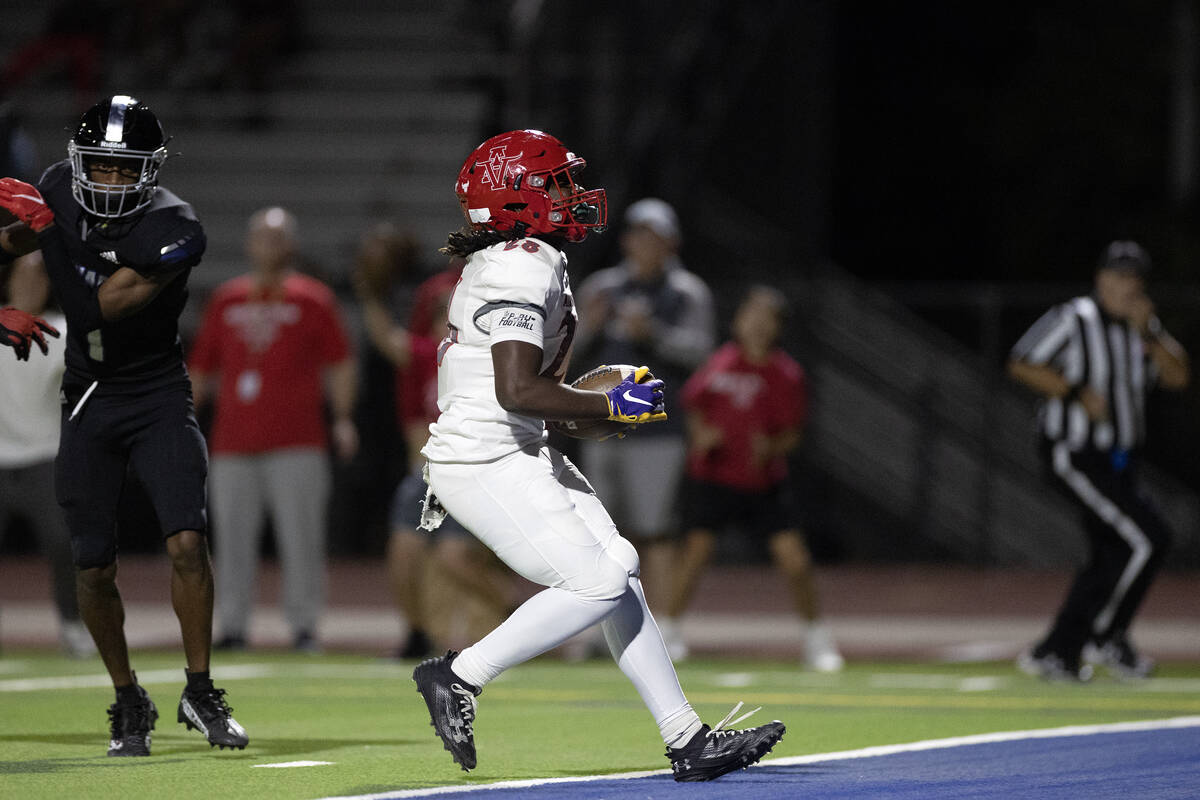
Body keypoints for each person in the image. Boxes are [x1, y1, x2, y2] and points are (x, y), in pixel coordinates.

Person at [410, 129, 784, 781]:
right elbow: (517, 388)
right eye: (556, 183)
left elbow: (523, 397)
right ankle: (459, 674)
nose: (573, 194)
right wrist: (606, 406)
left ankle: (686, 739)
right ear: (516, 198)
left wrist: (582, 407)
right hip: (483, 458)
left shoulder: (526, 255)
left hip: (516, 445)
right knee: (595, 581)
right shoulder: (521, 260)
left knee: (620, 567)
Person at [0, 94, 247, 755]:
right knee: (91, 563)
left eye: (125, 169)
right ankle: (127, 696)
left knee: (188, 543)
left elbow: (91, 309)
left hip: (155, 392)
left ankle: (199, 689)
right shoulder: (57, 187)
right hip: (89, 396)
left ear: (152, 171)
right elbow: (17, 239)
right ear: (80, 164)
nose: (110, 182)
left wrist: (49, 231)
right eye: (101, 168)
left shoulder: (176, 228)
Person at [1008, 240, 1189, 681]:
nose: (1125, 286)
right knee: (1147, 538)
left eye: (1133, 279)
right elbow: (1022, 362)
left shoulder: (1141, 328)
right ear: (1100, 279)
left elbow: (1178, 376)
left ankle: (1056, 652)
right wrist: (1073, 392)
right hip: (1074, 451)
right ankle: (1106, 636)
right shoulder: (1074, 318)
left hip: (1118, 459)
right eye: (1118, 277)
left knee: (1111, 555)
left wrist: (1150, 333)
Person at [189, 206, 357, 653]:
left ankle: (303, 626)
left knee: (301, 537)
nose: (270, 246)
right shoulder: (227, 298)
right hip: (233, 440)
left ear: (292, 246)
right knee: (231, 540)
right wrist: (183, 424)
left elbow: (340, 363)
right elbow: (201, 367)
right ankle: (233, 626)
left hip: (298, 439)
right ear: (249, 244)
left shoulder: (312, 298)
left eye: (278, 238)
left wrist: (342, 418)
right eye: (263, 237)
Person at [661, 285, 844, 671]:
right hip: (713, 476)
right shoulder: (720, 362)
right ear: (738, 321)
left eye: (767, 319)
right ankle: (668, 631)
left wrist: (772, 448)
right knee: (694, 555)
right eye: (751, 316)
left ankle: (816, 639)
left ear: (777, 327)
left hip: (762, 483)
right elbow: (692, 405)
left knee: (795, 562)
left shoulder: (787, 375)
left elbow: (793, 433)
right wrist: (702, 433)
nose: (758, 325)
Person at [571, 197, 715, 633]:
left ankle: (665, 627)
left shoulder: (687, 291)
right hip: (602, 426)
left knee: (655, 532)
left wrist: (653, 335)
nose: (644, 244)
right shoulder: (601, 288)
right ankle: (599, 630)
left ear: (671, 243)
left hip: (658, 430)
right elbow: (563, 352)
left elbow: (702, 353)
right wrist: (591, 328)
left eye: (655, 236)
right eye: (638, 234)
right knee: (597, 535)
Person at [364, 258, 519, 659]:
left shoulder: (486, 359)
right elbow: (388, 340)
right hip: (430, 472)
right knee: (403, 552)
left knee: (454, 559)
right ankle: (416, 631)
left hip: (471, 470)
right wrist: (369, 293)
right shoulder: (426, 354)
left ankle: (519, 615)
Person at [0, 252, 94, 657]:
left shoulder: (61, 330)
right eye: (24, 277)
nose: (30, 286)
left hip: (44, 457)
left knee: (63, 545)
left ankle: (73, 626)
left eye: (39, 278)